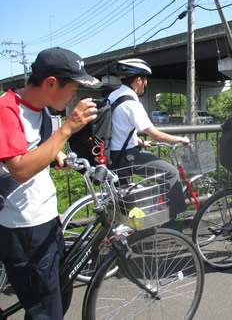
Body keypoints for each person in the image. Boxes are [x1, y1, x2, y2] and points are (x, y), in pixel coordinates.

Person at [0, 47, 101, 319]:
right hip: (23, 228)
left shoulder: (41, 110)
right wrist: (67, 128)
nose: (75, 96)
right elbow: (19, 169)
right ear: (51, 83)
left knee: (60, 293)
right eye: (73, 88)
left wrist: (55, 152)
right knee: (45, 311)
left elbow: (33, 148)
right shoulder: (6, 109)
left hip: (47, 220)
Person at [108, 58, 190, 218]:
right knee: (171, 172)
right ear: (139, 80)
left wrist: (140, 142)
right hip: (128, 157)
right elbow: (154, 133)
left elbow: (118, 127)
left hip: (114, 155)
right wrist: (180, 139)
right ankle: (172, 220)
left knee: (123, 197)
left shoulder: (113, 96)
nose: (145, 84)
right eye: (145, 80)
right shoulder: (131, 103)